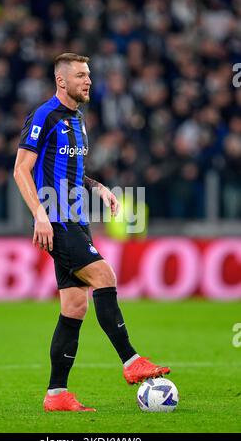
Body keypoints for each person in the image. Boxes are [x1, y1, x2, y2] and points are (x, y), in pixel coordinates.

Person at [14, 53, 170, 412]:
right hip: (56, 219)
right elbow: (21, 169)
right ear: (61, 81)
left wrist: (97, 186)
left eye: (89, 75)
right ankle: (132, 362)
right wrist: (39, 213)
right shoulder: (44, 115)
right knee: (104, 275)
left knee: (74, 305)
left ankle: (56, 394)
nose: (88, 81)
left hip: (77, 219)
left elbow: (68, 171)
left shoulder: (78, 120)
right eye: (81, 75)